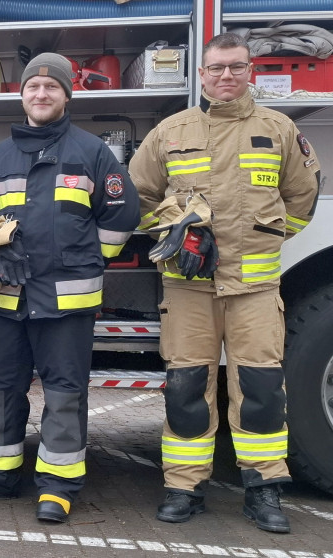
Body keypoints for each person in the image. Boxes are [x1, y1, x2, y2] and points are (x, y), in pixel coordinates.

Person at [129, 32, 321, 533]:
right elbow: (138, 197)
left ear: (250, 70)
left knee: (260, 390)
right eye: (216, 68)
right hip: (189, 289)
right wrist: (174, 232)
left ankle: (263, 489)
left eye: (235, 67)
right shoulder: (170, 132)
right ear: (201, 74)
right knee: (186, 388)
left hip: (255, 291)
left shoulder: (278, 129)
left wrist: (265, 241)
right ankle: (183, 486)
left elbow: (301, 202)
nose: (226, 77)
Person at [0, 53, 140, 522]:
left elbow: (121, 217)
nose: (41, 94)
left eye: (51, 87)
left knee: (64, 393)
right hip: (4, 297)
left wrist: (84, 257)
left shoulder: (93, 153)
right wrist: (0, 245)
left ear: (66, 95)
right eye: (33, 87)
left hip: (65, 300)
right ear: (22, 97)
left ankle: (57, 485)